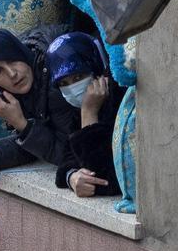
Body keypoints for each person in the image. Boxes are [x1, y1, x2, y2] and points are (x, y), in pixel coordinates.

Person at [0, 26, 78, 172]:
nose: (12, 74)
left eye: (12, 60)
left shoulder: (56, 75)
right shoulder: (25, 92)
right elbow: (29, 149)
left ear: (21, 52)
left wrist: (21, 124)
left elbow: (71, 154)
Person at [45, 32, 125, 198]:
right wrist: (71, 177)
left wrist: (89, 114)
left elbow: (104, 179)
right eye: (63, 83)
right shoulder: (79, 111)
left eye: (79, 77)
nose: (73, 88)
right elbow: (67, 160)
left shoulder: (120, 100)